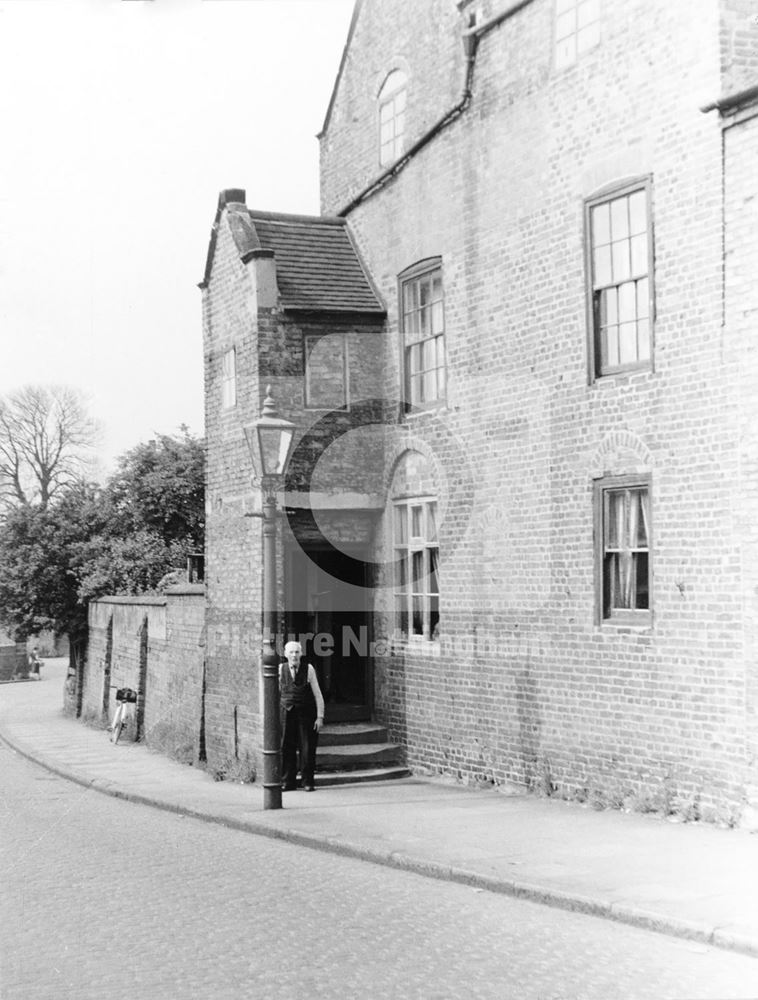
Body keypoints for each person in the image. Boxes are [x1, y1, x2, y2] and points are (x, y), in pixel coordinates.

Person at [279, 640, 324, 792]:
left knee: (307, 748)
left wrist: (320, 717)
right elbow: (275, 694)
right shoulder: (280, 669)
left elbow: (318, 695)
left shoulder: (309, 669)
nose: (294, 655)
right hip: (286, 713)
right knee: (286, 747)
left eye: (297, 652)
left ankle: (307, 781)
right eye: (291, 652)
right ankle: (287, 781)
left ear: (301, 654)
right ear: (285, 655)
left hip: (306, 714)